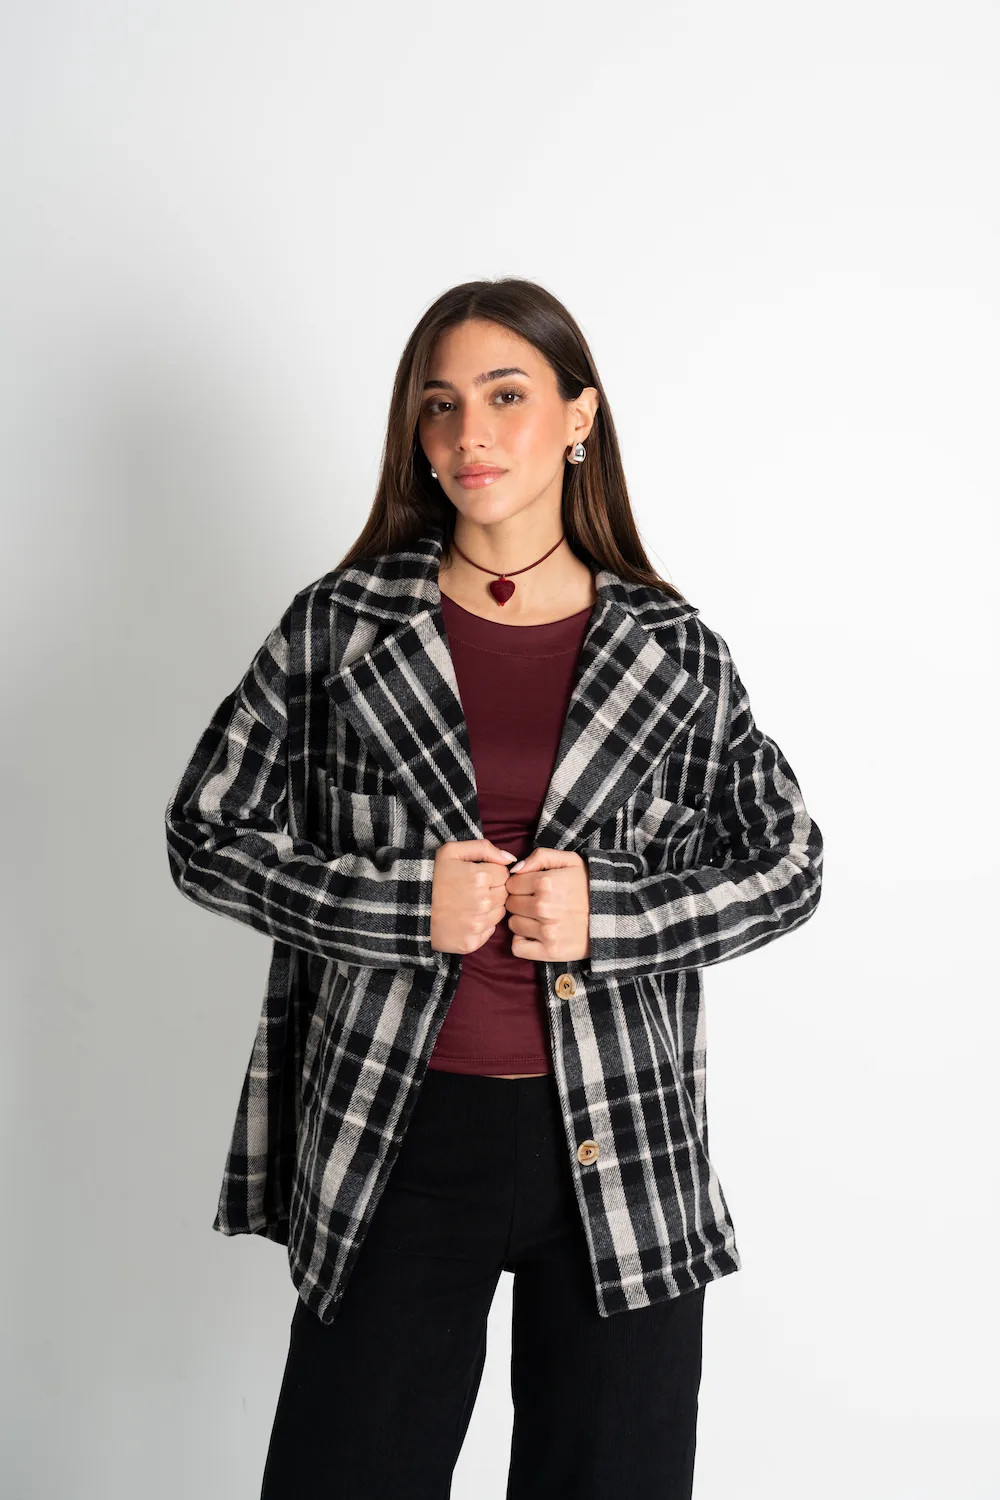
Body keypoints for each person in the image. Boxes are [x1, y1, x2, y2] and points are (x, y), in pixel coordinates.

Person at [164, 277, 824, 1499]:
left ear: (579, 416)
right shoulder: (339, 627)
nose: (469, 433)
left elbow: (788, 861)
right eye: (440, 404)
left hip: (621, 1136)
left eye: (506, 396)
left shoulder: (671, 650)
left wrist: (611, 916)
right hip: (398, 1125)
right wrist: (396, 905)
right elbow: (205, 831)